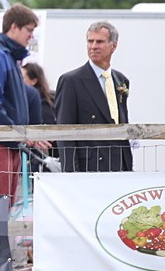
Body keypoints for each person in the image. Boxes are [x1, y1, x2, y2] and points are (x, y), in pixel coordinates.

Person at [0, 4, 50, 204]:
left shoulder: (6, 56)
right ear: (14, 27)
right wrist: (17, 133)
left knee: (3, 206)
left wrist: (19, 134)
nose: (31, 36)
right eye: (29, 30)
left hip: (5, 141)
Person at [54, 21, 132, 172]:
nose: (93, 46)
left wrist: (127, 164)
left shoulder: (121, 80)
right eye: (90, 41)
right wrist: (70, 173)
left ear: (113, 46)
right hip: (89, 168)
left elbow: (122, 123)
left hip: (120, 165)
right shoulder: (71, 81)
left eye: (100, 41)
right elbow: (64, 131)